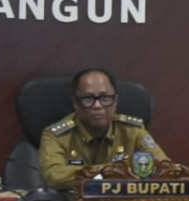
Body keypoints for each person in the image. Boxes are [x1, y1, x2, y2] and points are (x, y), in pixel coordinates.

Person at [39, 68, 169, 191]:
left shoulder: (132, 131)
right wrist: (112, 171)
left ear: (115, 101)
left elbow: (165, 169)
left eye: (105, 98)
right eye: (88, 99)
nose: (97, 106)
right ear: (75, 103)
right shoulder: (56, 135)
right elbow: (53, 176)